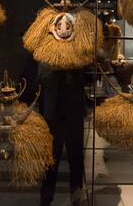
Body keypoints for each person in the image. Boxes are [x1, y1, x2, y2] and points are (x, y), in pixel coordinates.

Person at [38, 64, 87, 206]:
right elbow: (42, 78)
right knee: (51, 158)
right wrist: (59, 67)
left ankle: (76, 196)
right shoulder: (47, 55)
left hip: (74, 113)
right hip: (54, 115)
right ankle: (46, 196)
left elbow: (84, 79)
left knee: (76, 158)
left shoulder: (76, 56)